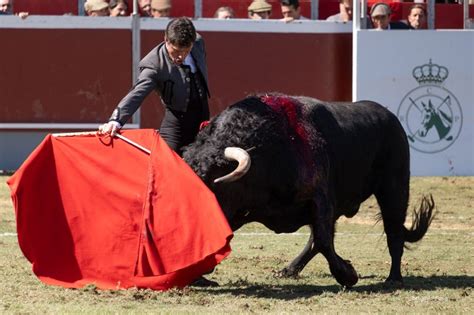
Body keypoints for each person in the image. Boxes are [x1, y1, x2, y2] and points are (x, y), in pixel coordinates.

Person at [99, 17, 210, 156]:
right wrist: (116, 120)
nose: (180, 57)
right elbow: (137, 93)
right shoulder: (154, 64)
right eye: (175, 51)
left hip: (204, 118)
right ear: (166, 40)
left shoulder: (198, 43)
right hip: (177, 122)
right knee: (165, 161)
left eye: (186, 51)